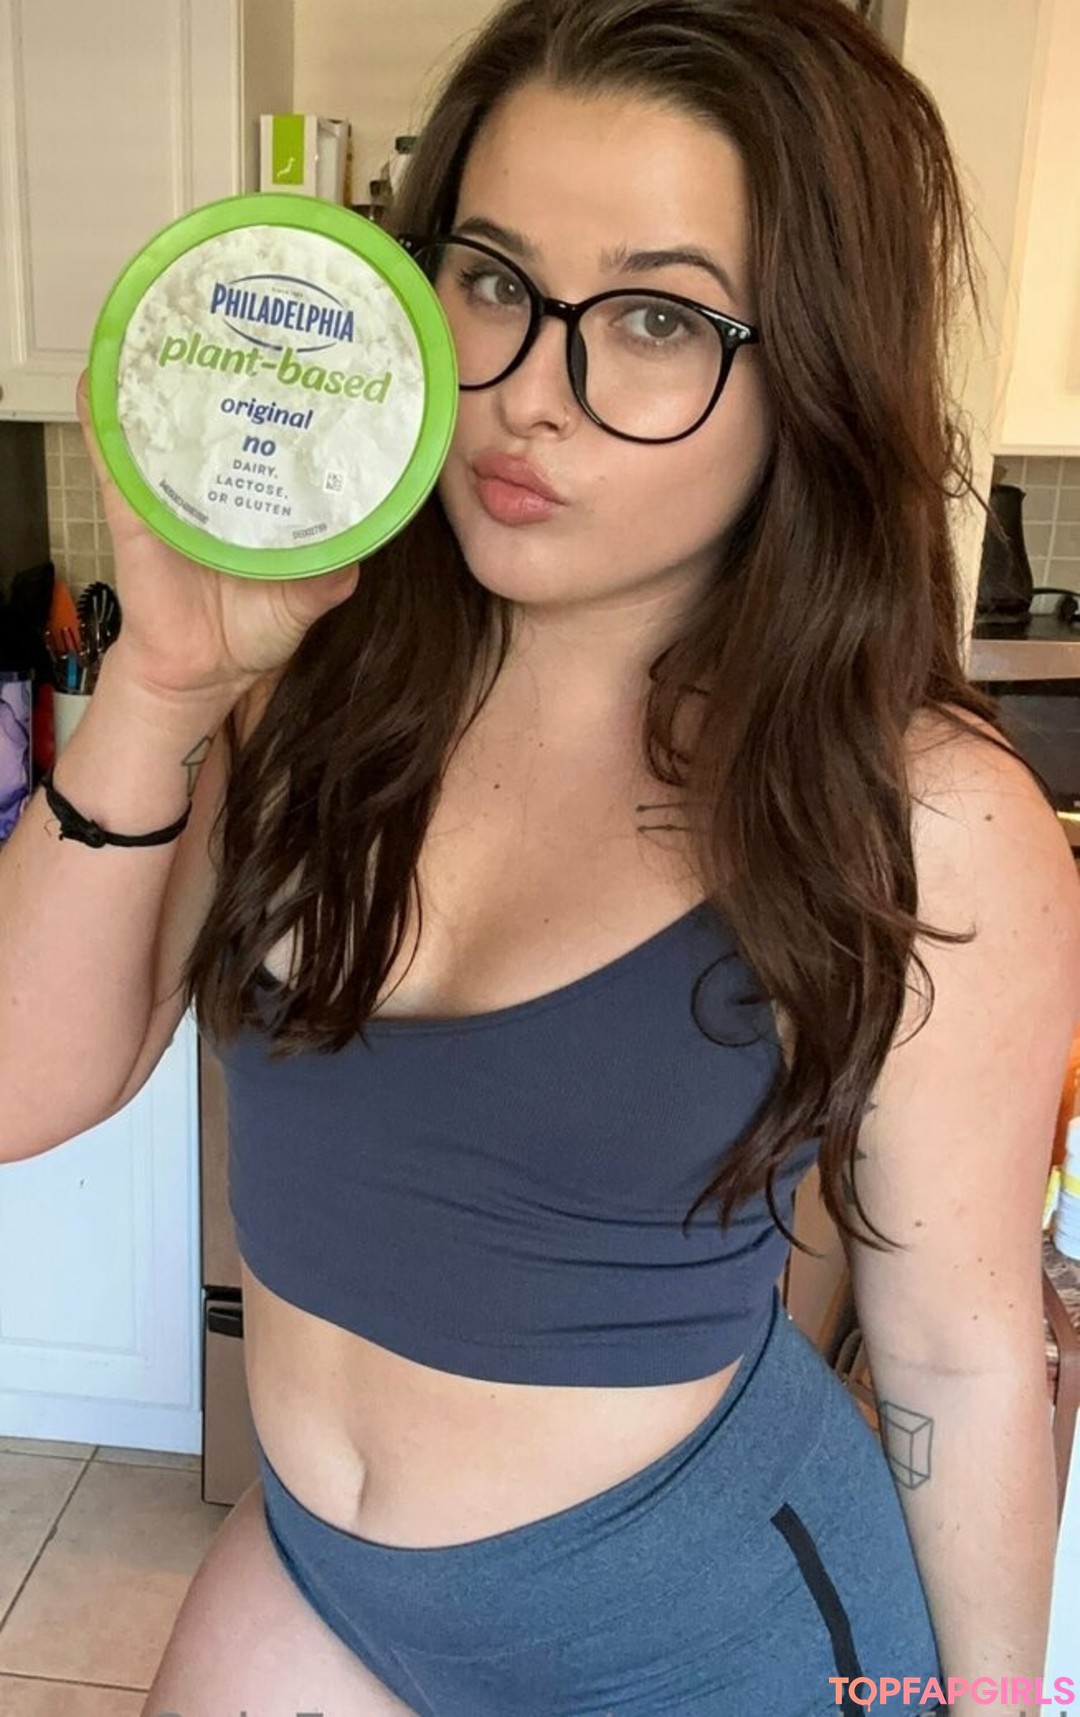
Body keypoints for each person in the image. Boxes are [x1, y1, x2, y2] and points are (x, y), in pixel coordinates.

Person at [2, 0, 1078, 1711]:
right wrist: (159, 685)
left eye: (656, 317)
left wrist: (991, 1703)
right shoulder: (308, 676)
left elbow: (958, 1348)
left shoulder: (923, 811)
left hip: (701, 1639)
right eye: (492, 279)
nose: (520, 393)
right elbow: (20, 1088)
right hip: (325, 1576)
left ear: (810, 367)